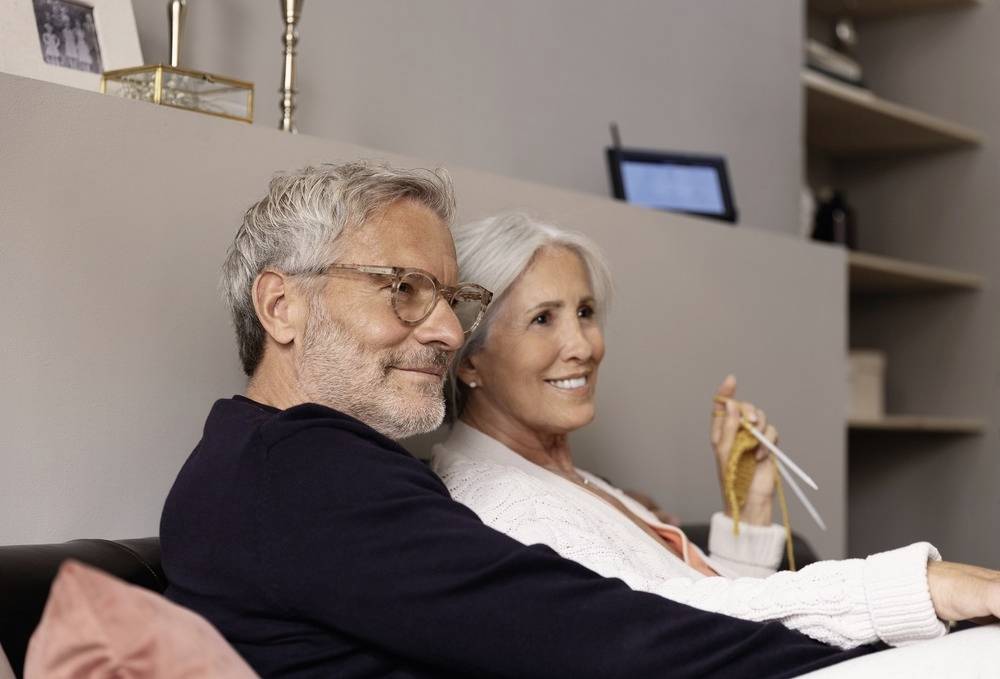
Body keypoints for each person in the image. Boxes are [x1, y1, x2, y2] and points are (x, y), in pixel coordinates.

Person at [161, 162, 883, 678]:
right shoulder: (296, 469)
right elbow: (589, 632)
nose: (448, 329)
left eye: (450, 296)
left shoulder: (277, 463)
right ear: (281, 306)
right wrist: (891, 632)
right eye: (404, 289)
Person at [431, 212, 1000, 652]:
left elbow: (712, 608)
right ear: (470, 362)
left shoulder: (565, 475)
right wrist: (918, 586)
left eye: (585, 311)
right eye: (542, 319)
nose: (582, 345)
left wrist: (748, 510)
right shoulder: (498, 504)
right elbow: (672, 625)